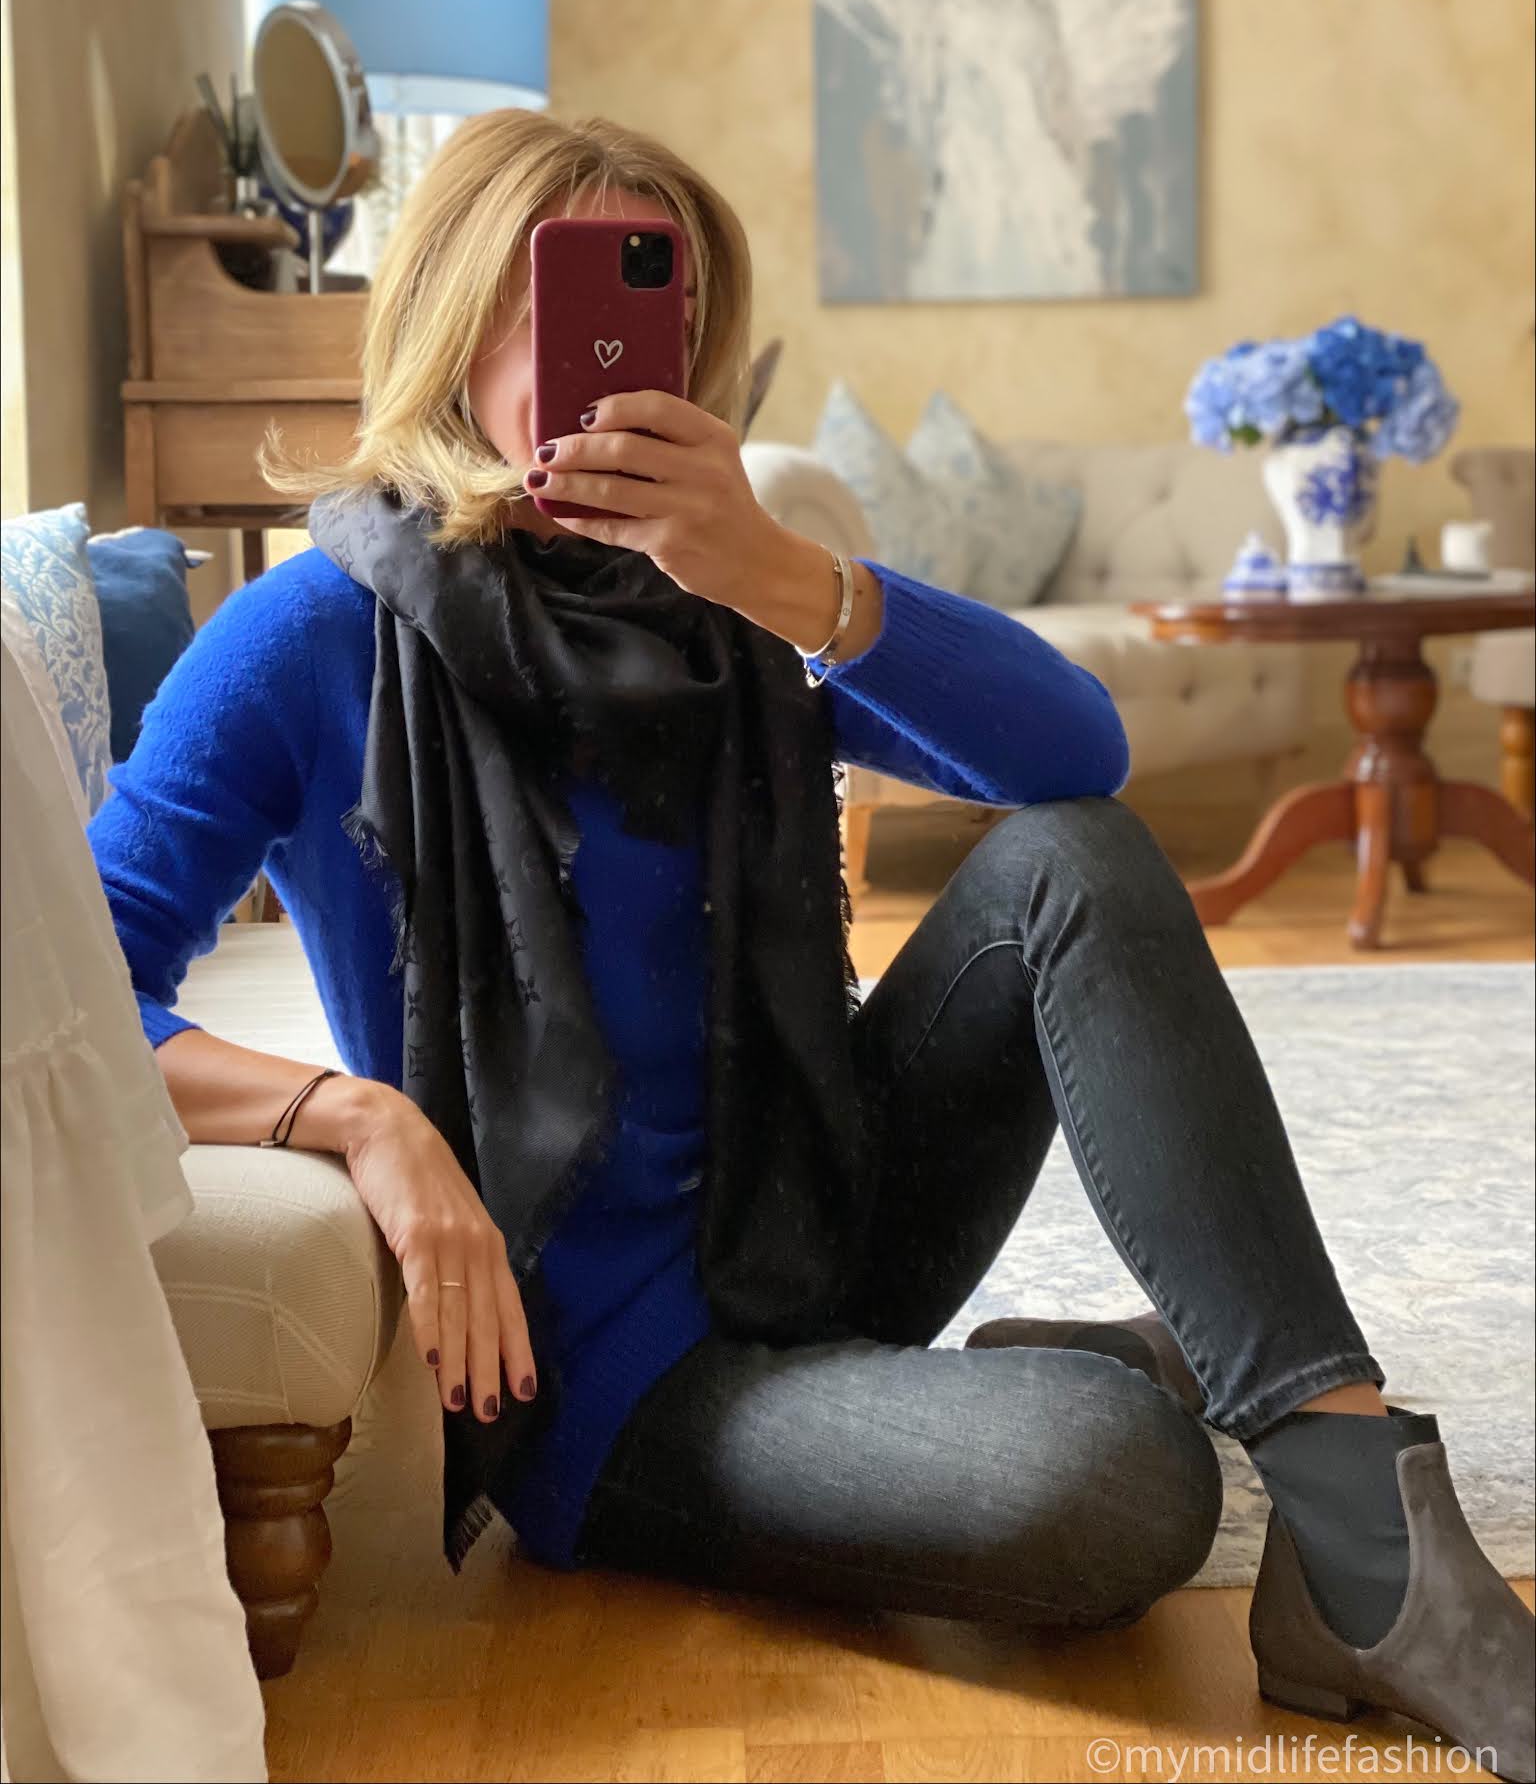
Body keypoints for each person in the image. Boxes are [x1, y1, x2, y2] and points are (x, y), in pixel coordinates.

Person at [89, 111, 1532, 1781]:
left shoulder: (729, 587)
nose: (610, 363)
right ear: (450, 316)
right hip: (612, 1377)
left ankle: (1356, 1517)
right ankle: (1142, 1386)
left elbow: (1081, 758)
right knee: (1121, 1486)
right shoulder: (308, 638)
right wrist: (359, 1120)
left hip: (823, 1213)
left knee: (1073, 861)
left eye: (659, 310)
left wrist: (787, 576)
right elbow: (64, 1000)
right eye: (556, 306)